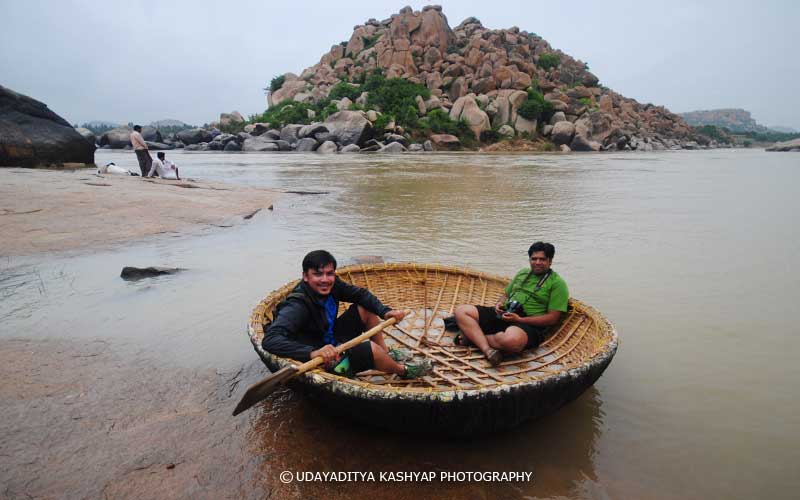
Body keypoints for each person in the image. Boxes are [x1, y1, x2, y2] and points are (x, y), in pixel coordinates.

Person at [262, 250, 434, 379]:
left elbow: (361, 295)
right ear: (305, 277)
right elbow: (270, 340)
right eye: (317, 274)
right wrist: (312, 353)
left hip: (331, 338)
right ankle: (402, 371)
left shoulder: (333, 284)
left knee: (365, 308)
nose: (325, 279)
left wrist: (385, 311)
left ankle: (385, 353)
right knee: (370, 349)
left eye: (329, 273)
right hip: (322, 355)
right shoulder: (297, 305)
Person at [453, 242, 569, 366]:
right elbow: (506, 295)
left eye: (542, 259)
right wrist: (499, 304)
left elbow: (552, 319)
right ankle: (487, 349)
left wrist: (520, 319)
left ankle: (471, 338)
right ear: (529, 260)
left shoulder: (557, 284)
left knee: (512, 341)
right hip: (505, 313)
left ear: (550, 261)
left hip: (527, 323)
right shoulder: (523, 273)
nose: (537, 262)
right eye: (534, 259)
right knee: (461, 311)